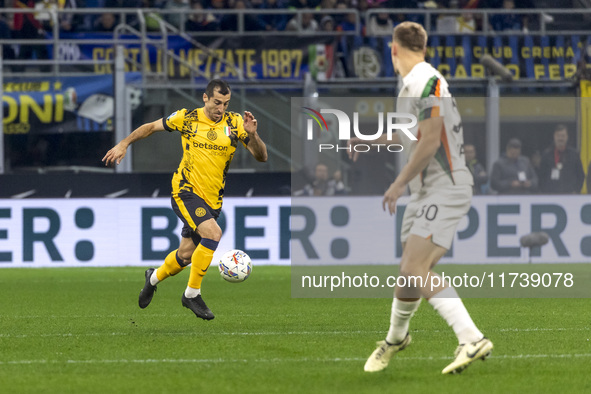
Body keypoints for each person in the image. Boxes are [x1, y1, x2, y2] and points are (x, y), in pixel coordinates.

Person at [349, 21, 492, 375]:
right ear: (423, 47)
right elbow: (406, 135)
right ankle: (396, 339)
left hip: (445, 186)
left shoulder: (426, 81)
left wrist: (397, 183)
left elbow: (429, 140)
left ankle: (471, 338)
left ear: (393, 49)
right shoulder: (415, 84)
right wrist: (364, 142)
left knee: (415, 268)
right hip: (428, 189)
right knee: (409, 274)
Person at [102, 79, 267, 320]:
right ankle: (191, 295)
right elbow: (150, 127)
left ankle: (153, 277)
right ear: (205, 98)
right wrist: (124, 143)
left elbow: (261, 156)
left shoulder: (235, 124)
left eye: (226, 103)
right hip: (185, 191)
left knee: (186, 256)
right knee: (213, 234)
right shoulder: (186, 118)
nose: (221, 108)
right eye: (217, 102)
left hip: (212, 201)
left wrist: (253, 135)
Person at [538, 125, 584, 194]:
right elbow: (541, 176)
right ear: (554, 137)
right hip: (551, 196)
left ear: (567, 137)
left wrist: (576, 191)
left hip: (570, 195)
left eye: (563, 136)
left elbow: (581, 175)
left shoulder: (574, 154)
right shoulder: (546, 155)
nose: (560, 138)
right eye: (558, 136)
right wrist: (545, 192)